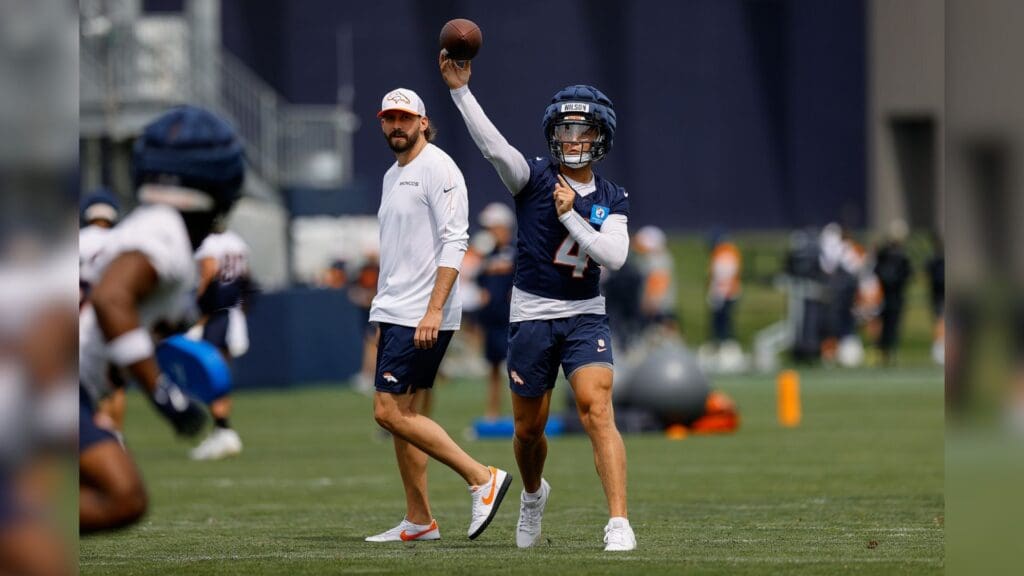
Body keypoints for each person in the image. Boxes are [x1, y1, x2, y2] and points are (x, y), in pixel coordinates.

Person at [441, 56, 637, 551]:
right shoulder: (530, 177)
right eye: (565, 129)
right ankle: (532, 494)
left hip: (584, 314)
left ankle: (618, 521)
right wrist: (462, 92)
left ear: (600, 137)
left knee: (598, 410)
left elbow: (613, 255)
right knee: (528, 432)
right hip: (531, 315)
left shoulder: (612, 197)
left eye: (582, 130)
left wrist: (572, 217)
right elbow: (491, 146)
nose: (572, 139)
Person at [79, 105, 244, 532]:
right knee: (122, 497)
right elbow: (111, 299)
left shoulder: (156, 230)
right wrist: (161, 391)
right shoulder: (163, 230)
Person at [365, 88, 511, 543]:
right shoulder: (393, 175)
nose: (396, 126)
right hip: (396, 309)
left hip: (421, 312)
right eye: (389, 118)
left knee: (388, 411)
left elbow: (455, 241)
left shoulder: (439, 167)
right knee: (404, 413)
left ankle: (481, 477)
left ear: (424, 122)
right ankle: (419, 519)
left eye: (404, 118)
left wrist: (432, 309)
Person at [186, 227, 253, 460]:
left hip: (216, 314)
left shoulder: (209, 243)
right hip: (233, 312)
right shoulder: (237, 241)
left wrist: (198, 312)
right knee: (222, 374)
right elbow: (246, 279)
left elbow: (209, 274)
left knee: (210, 374)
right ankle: (222, 430)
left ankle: (222, 429)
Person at [475, 202, 516, 420]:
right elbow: (479, 280)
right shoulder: (487, 254)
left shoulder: (518, 251)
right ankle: (492, 412)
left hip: (511, 318)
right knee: (492, 369)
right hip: (491, 318)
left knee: (515, 368)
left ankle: (519, 413)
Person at [873, 220, 913, 364]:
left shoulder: (902, 256)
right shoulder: (885, 254)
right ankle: (883, 352)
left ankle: (892, 352)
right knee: (885, 324)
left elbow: (907, 274)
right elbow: (877, 270)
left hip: (896, 295)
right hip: (884, 295)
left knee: (894, 325)